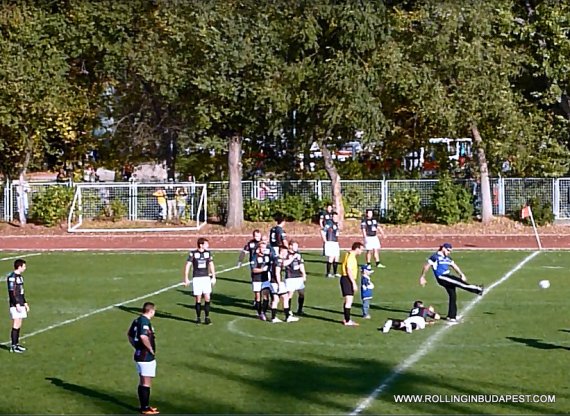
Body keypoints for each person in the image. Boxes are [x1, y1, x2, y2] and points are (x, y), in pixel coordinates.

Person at [418, 243, 484, 322]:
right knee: (460, 283)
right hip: (442, 277)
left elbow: (454, 266)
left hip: (447, 276)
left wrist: (461, 274)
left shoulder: (447, 258)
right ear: (443, 248)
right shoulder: (435, 257)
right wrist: (422, 277)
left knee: (453, 296)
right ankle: (478, 289)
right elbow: (426, 266)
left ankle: (451, 316)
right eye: (448, 250)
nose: (449, 252)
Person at [127, 302, 159, 415]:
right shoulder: (144, 322)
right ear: (151, 311)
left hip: (140, 355)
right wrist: (150, 349)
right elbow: (143, 336)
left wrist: (136, 346)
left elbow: (129, 335)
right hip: (146, 357)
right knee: (146, 382)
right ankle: (144, 407)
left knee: (143, 381)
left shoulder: (137, 320)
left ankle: (145, 406)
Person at [183, 238, 216, 325]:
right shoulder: (193, 253)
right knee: (198, 298)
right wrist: (186, 278)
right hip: (197, 278)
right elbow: (188, 265)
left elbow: (211, 264)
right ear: (201, 245)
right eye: (206, 244)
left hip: (206, 278)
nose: (208, 246)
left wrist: (213, 276)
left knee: (207, 297)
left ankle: (207, 317)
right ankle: (198, 317)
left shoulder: (208, 253)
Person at [269, 245, 298, 323]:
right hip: (277, 282)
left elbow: (284, 263)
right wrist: (279, 284)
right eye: (285, 252)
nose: (286, 254)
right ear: (282, 252)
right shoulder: (278, 260)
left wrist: (292, 257)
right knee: (285, 297)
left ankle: (273, 318)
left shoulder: (276, 259)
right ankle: (287, 317)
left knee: (276, 299)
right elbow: (277, 272)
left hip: (272, 282)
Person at [340, 242, 364, 326]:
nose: (361, 252)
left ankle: (346, 319)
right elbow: (348, 269)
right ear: (357, 249)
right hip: (347, 279)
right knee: (349, 301)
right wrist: (353, 283)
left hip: (345, 278)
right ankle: (347, 321)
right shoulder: (351, 257)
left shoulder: (348, 254)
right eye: (361, 250)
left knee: (347, 300)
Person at [7, 259, 29, 353]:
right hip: (15, 304)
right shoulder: (12, 277)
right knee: (16, 323)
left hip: (21, 303)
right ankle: (13, 346)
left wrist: (25, 303)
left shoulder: (20, 277)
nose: (25, 268)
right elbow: (11, 292)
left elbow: (21, 292)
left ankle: (17, 344)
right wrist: (16, 304)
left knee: (19, 323)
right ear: (19, 267)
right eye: (24, 266)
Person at [250, 240, 272, 320]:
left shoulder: (267, 256)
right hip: (257, 279)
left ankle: (263, 313)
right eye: (262, 248)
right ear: (258, 248)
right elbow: (253, 270)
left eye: (264, 248)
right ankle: (259, 313)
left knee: (266, 296)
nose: (264, 249)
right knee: (258, 297)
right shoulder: (254, 257)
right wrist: (263, 270)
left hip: (265, 279)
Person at [284, 240, 307, 317]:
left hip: (298, 276)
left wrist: (304, 274)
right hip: (290, 276)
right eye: (295, 246)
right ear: (290, 246)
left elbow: (301, 264)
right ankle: (288, 310)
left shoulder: (298, 254)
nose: (296, 247)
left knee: (301, 293)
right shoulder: (286, 254)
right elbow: (284, 263)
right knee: (290, 294)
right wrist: (293, 257)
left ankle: (300, 310)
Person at [321, 212, 340, 278]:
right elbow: (322, 231)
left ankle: (335, 273)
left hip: (335, 242)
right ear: (332, 217)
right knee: (331, 258)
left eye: (336, 217)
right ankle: (328, 273)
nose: (335, 218)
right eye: (334, 217)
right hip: (330, 242)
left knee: (336, 257)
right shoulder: (329, 223)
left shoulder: (336, 224)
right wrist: (325, 241)